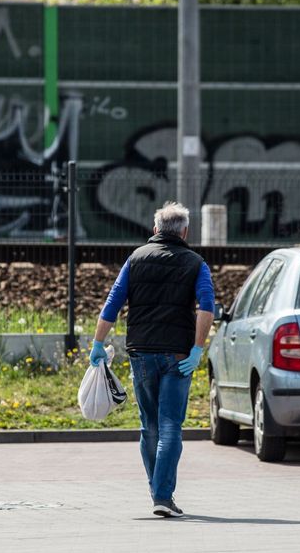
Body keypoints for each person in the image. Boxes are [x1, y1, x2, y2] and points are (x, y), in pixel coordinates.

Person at [90, 201, 215, 518]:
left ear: (155, 229)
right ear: (185, 231)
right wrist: (198, 348)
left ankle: (157, 491)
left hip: (141, 353)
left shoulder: (135, 259)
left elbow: (112, 304)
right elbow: (206, 308)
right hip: (178, 354)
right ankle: (163, 494)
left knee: (150, 426)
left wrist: (97, 343)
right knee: (171, 425)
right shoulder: (196, 263)